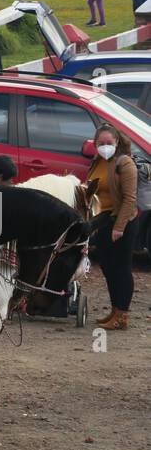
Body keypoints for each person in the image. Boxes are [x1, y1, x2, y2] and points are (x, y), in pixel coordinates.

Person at [86, 123, 138, 330]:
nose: (105, 146)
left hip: (121, 221)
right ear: (95, 144)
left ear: (117, 142)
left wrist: (119, 227)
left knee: (121, 268)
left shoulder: (125, 164)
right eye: (101, 143)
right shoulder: (97, 161)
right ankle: (115, 310)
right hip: (102, 220)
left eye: (109, 143)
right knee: (107, 267)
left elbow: (129, 199)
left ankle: (122, 315)